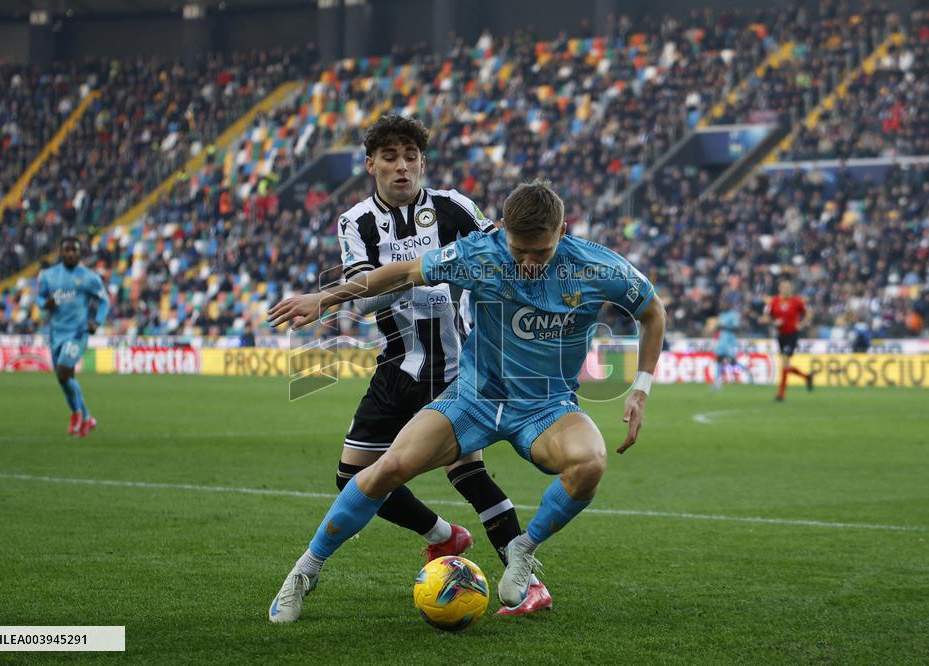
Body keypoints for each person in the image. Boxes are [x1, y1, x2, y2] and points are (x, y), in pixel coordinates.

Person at [265, 180, 666, 622]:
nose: (529, 263)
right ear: (503, 232)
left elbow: (652, 312)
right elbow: (401, 273)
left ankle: (522, 549)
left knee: (590, 463)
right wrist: (324, 297)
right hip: (473, 398)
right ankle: (305, 571)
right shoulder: (482, 253)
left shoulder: (595, 267)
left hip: (546, 407)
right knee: (389, 469)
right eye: (519, 251)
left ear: (563, 232)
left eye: (542, 252)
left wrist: (641, 389)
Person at [326, 115, 552, 614]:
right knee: (351, 479)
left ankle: (532, 584)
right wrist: (429, 269)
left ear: (423, 162)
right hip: (397, 367)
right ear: (371, 165)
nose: (402, 166)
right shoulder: (356, 222)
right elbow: (362, 304)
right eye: (390, 157)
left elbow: (502, 258)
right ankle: (443, 535)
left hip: (459, 369)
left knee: (469, 472)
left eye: (411, 156)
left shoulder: (454, 207)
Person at [36, 237, 109, 437]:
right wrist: (45, 303)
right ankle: (87, 417)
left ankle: (76, 414)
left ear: (79, 253)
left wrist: (97, 321)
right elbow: (40, 297)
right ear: (60, 252)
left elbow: (104, 301)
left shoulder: (89, 277)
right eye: (67, 250)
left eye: (74, 250)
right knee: (64, 379)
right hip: (56, 333)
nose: (70, 254)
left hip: (78, 333)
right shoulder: (49, 276)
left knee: (63, 372)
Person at [763, 279, 814, 402]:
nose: (786, 289)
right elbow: (765, 317)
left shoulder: (797, 301)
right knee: (785, 365)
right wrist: (774, 322)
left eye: (788, 287)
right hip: (781, 335)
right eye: (784, 287)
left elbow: (809, 313)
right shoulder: (773, 301)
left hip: (792, 335)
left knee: (785, 362)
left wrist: (802, 324)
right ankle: (806, 377)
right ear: (780, 288)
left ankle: (781, 394)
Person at [710, 298, 752, 389]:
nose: (722, 306)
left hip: (730, 341)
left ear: (728, 305)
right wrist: (716, 328)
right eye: (721, 304)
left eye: (724, 304)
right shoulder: (721, 315)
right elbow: (719, 327)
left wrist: (724, 326)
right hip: (722, 341)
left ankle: (748, 373)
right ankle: (717, 382)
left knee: (733, 361)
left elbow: (736, 328)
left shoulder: (734, 315)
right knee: (719, 359)